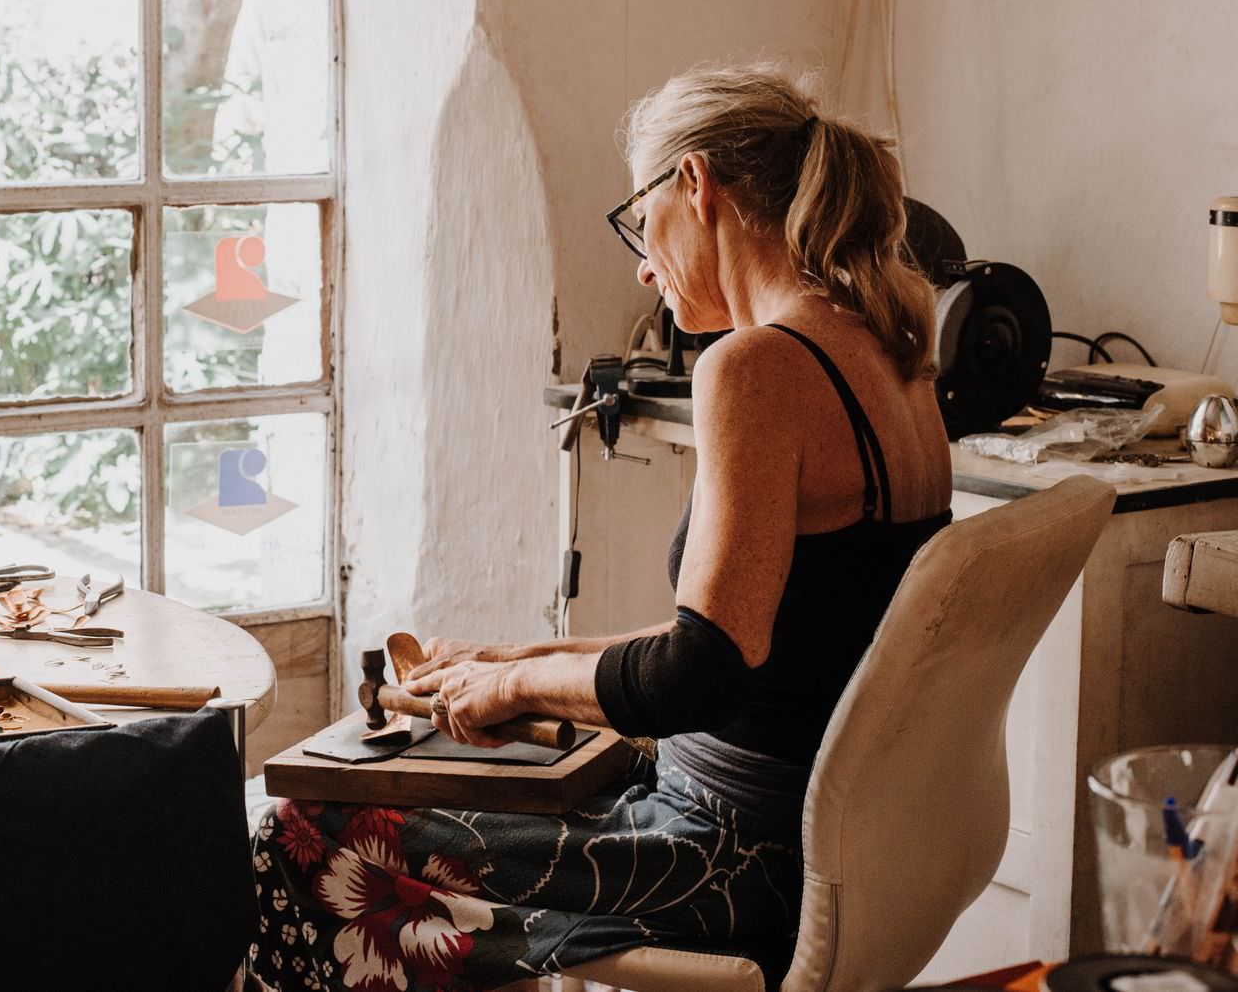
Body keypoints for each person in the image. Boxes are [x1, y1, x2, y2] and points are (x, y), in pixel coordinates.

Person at [246, 64, 954, 992]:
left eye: (638, 217)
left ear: (694, 186)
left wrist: (517, 689)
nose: (641, 260)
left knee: (299, 833)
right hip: (836, 844)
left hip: (728, 860)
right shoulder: (892, 355)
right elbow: (765, 644)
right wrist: (514, 661)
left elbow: (695, 674)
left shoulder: (755, 368)